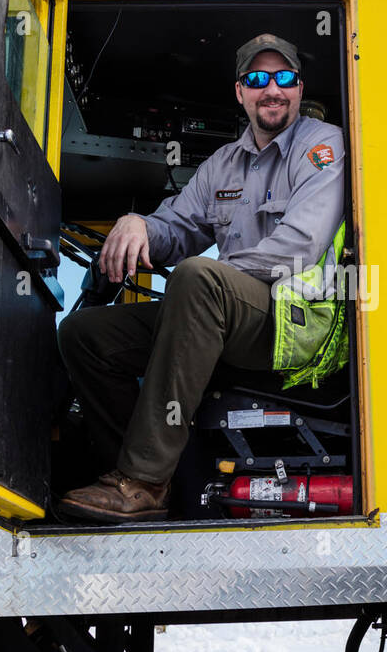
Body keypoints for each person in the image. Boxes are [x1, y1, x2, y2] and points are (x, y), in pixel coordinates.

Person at [56, 33, 346, 523]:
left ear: (299, 88)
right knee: (86, 335)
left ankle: (144, 480)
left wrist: (207, 282)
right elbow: (178, 226)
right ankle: (133, 474)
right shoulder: (221, 165)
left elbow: (300, 246)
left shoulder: (322, 146)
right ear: (240, 92)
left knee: (196, 281)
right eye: (257, 79)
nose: (271, 89)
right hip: (222, 311)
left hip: (289, 320)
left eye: (284, 78)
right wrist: (140, 225)